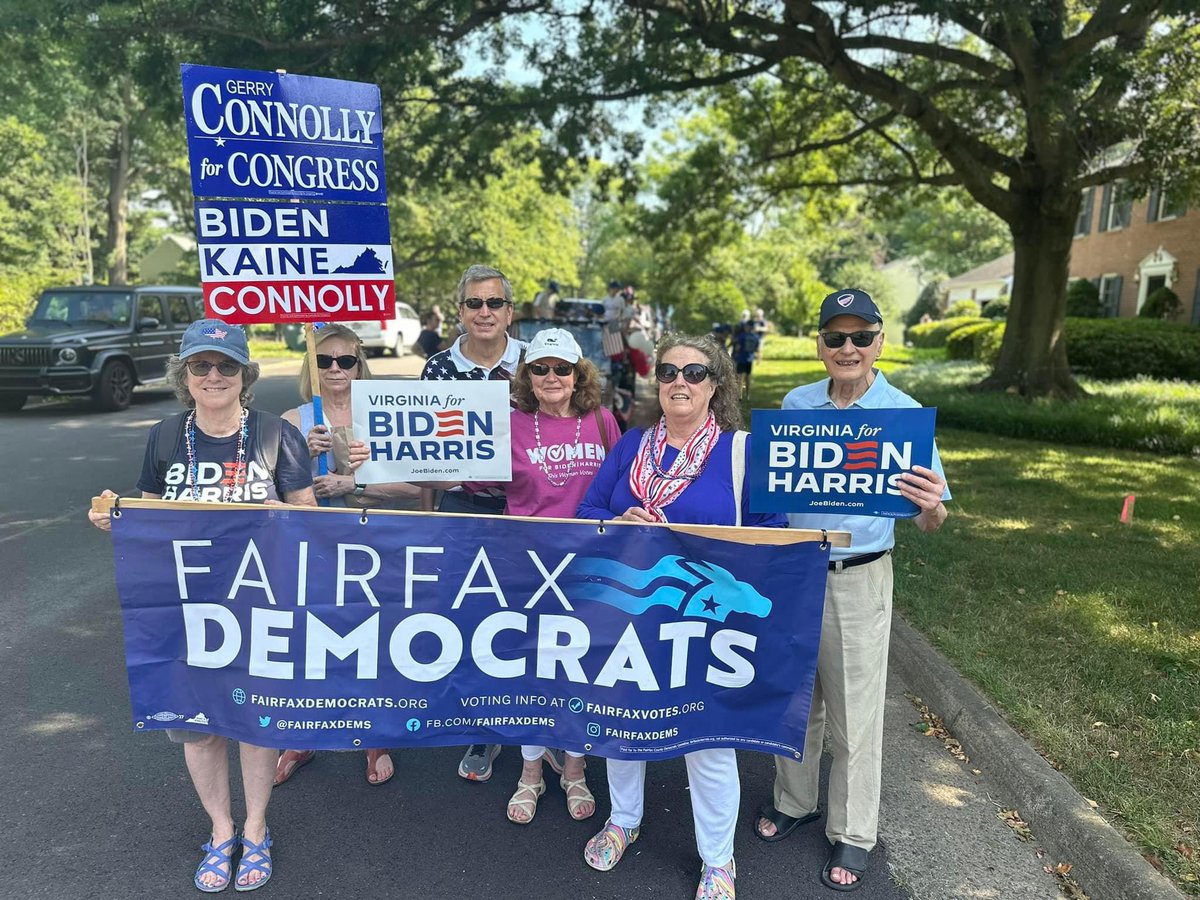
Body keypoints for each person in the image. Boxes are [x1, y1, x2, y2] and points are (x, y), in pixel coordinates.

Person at [88, 319, 318, 893]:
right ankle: (221, 831)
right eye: (201, 366)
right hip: (185, 610)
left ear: (245, 374)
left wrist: (280, 513)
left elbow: (315, 521)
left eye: (226, 366)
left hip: (260, 607)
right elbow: (147, 517)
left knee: (255, 719)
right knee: (197, 726)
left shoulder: (274, 435)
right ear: (184, 375)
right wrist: (111, 518)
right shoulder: (165, 436)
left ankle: (257, 829)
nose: (214, 376)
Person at [576, 332, 787, 900]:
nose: (678, 383)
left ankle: (719, 860)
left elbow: (774, 529)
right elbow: (589, 508)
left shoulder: (740, 452)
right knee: (622, 725)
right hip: (630, 611)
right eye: (668, 372)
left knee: (707, 739)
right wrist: (619, 524)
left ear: (716, 385)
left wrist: (706, 541)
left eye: (694, 374)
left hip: (706, 621)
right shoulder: (632, 445)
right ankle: (624, 819)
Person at [754, 288, 950, 892]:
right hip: (797, 571)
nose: (848, 348)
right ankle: (794, 800)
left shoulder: (903, 414)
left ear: (879, 343)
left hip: (859, 577)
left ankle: (854, 831)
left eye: (860, 337)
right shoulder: (796, 402)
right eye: (836, 337)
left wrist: (929, 506)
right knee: (796, 700)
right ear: (819, 345)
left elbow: (932, 517)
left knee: (855, 715)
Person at [452, 328, 620, 824]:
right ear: (527, 375)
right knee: (533, 674)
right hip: (526, 569)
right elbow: (458, 474)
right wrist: (368, 465)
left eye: (561, 368)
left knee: (582, 673)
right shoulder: (507, 424)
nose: (551, 377)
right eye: (540, 368)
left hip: (591, 569)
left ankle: (574, 767)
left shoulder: (603, 420)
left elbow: (623, 486)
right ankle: (530, 772)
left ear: (578, 374)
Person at [273, 323, 419, 789]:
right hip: (312, 546)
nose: (335, 369)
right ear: (310, 366)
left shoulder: (383, 415)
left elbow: (417, 485)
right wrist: (298, 454)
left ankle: (373, 734)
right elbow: (272, 492)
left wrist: (354, 482)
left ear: (361, 364)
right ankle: (302, 735)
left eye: (345, 360)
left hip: (372, 541)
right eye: (324, 360)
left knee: (371, 635)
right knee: (309, 635)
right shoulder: (292, 420)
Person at [420, 264, 527, 782]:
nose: (484, 313)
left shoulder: (536, 363)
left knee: (529, 616)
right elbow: (420, 455)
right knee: (472, 617)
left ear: (510, 311)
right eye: (473, 304)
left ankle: (535, 727)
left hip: (528, 509)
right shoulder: (438, 369)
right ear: (459, 312)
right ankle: (484, 731)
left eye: (494, 303)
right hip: (462, 509)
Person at [730, 320, 760, 399]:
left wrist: (735, 351)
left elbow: (738, 347)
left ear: (747, 327)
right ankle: (748, 395)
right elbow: (757, 349)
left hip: (741, 358)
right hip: (749, 359)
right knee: (748, 377)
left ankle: (740, 395)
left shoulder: (742, 336)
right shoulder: (755, 337)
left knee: (740, 377)